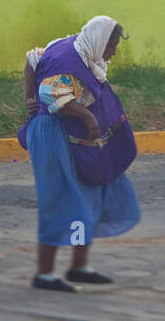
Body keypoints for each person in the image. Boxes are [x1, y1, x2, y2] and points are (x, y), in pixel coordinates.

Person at [21, 16, 140, 292]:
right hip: (51, 135)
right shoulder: (67, 56)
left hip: (71, 133)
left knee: (91, 191)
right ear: (101, 41)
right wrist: (87, 117)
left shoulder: (85, 53)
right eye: (112, 45)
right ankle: (45, 274)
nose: (114, 51)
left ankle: (78, 267)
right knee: (59, 197)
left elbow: (32, 59)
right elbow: (50, 95)